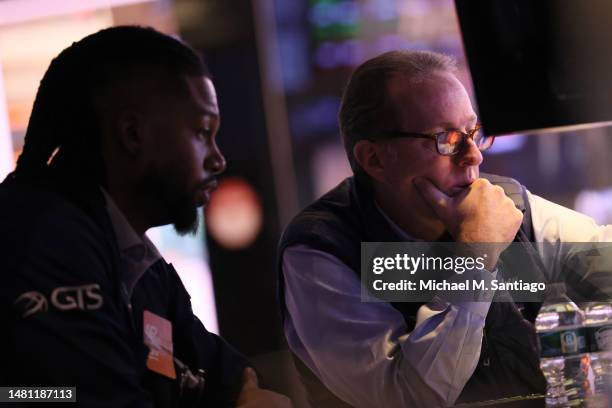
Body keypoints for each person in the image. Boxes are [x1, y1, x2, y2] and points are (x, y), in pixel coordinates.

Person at [278, 50, 612, 407]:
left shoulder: (508, 205)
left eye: (474, 133)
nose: (474, 156)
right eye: (446, 139)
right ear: (374, 159)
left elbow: (602, 260)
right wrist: (476, 255)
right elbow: (410, 397)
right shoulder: (321, 251)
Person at [1, 26, 291, 408]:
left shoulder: (136, 260)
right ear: (133, 133)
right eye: (203, 132)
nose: (219, 159)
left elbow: (230, 374)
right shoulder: (41, 241)